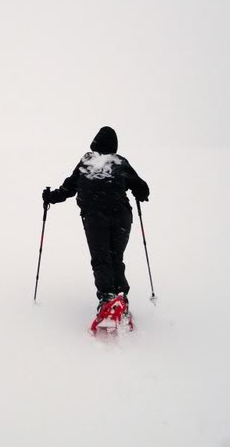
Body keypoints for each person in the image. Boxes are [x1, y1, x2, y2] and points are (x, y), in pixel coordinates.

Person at [42, 126, 150, 313]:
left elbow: (69, 188)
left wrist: (50, 196)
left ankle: (108, 298)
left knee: (101, 259)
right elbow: (142, 188)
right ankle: (120, 297)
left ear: (95, 143)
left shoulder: (87, 161)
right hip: (121, 217)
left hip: (95, 219)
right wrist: (139, 192)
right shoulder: (120, 162)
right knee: (115, 258)